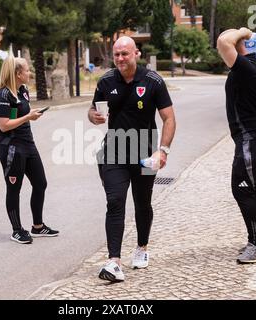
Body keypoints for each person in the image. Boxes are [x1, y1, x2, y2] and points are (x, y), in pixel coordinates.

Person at [88, 36, 176, 281]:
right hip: (113, 151)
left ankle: (142, 247)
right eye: (116, 54)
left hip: (145, 154)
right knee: (115, 201)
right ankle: (113, 261)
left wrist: (163, 150)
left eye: (124, 54)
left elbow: (169, 118)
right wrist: (92, 116)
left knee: (142, 204)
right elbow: (94, 109)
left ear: (136, 53)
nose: (120, 59)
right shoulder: (106, 80)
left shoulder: (153, 81)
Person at [217, 27, 256, 264]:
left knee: (242, 188)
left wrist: (242, 31)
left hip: (251, 140)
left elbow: (224, 41)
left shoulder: (245, 67)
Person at [0, 55, 59, 244]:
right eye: (27, 70)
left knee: (40, 183)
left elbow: (16, 115)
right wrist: (28, 117)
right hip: (12, 147)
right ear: (17, 73)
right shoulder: (3, 95)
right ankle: (17, 230)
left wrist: (29, 116)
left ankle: (37, 226)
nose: (29, 73)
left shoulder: (22, 91)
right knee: (14, 189)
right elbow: (4, 126)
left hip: (28, 145)